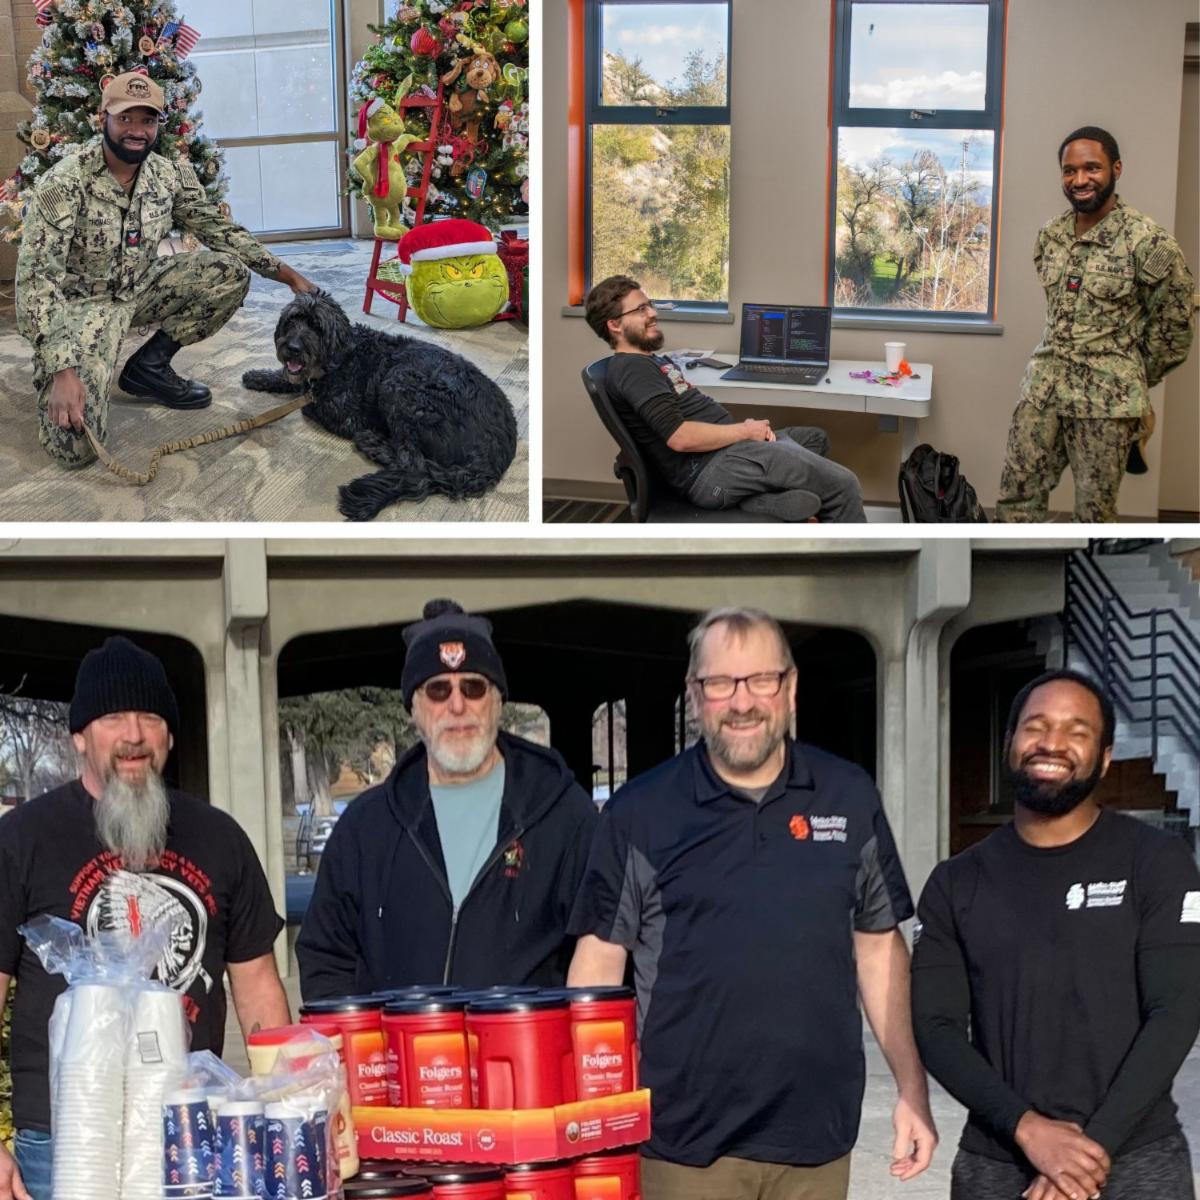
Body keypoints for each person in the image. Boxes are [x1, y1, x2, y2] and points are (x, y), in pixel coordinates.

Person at [567, 606, 936, 1200]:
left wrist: (913, 1091)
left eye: (762, 679)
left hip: (816, 1139)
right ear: (694, 694)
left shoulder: (848, 796)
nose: (742, 702)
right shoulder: (640, 811)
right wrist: (595, 1114)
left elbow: (877, 950)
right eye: (720, 683)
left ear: (790, 688)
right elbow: (598, 966)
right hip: (684, 1148)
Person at [0, 636, 290, 1200]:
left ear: (169, 736)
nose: (133, 734)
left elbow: (258, 987)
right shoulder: (23, 839)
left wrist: (277, 1107)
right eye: (113, 717)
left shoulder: (219, 837)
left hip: (190, 1133)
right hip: (61, 1143)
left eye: (149, 717)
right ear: (80, 736)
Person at [912, 669, 1200, 1200]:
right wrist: (1029, 1130)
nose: (1052, 743)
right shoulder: (956, 882)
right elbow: (936, 1026)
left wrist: (1090, 1149)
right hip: (998, 1164)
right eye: (1036, 726)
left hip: (1135, 1162)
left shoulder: (1157, 862)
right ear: (1010, 743)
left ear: (1106, 757)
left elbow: (1177, 1010)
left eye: (1077, 731)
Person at [296, 599, 599, 998]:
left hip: (526, 1056)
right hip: (398, 1057)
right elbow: (326, 957)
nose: (458, 706)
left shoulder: (564, 815)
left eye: (473, 687)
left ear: (497, 702)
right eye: (438, 690)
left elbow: (602, 944)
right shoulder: (365, 829)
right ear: (414, 709)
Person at [14, 71, 316, 468]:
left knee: (228, 273)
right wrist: (62, 370)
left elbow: (219, 230)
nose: (137, 131)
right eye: (125, 118)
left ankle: (149, 368)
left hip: (139, 286)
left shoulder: (167, 175)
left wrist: (288, 275)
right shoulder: (64, 183)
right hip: (80, 308)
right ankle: (74, 373)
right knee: (75, 448)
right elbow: (36, 283)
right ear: (103, 117)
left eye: (148, 120)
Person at [995, 126, 1195, 522]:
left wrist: (1129, 375)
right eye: (1070, 171)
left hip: (1107, 402)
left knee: (1094, 514)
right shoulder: (1050, 236)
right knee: (1016, 501)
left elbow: (1173, 332)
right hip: (1042, 392)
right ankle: (1018, 579)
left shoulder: (1149, 243)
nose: (1080, 180)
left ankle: (1083, 583)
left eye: (1092, 168)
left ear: (1116, 169)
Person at [584, 276, 867, 523]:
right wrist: (746, 430)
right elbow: (679, 437)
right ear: (614, 325)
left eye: (650, 305)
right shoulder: (634, 369)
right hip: (711, 471)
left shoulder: (650, 361)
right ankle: (855, 570)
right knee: (844, 485)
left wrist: (744, 436)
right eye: (641, 309)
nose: (653, 313)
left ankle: (754, 502)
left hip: (728, 456)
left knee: (814, 439)